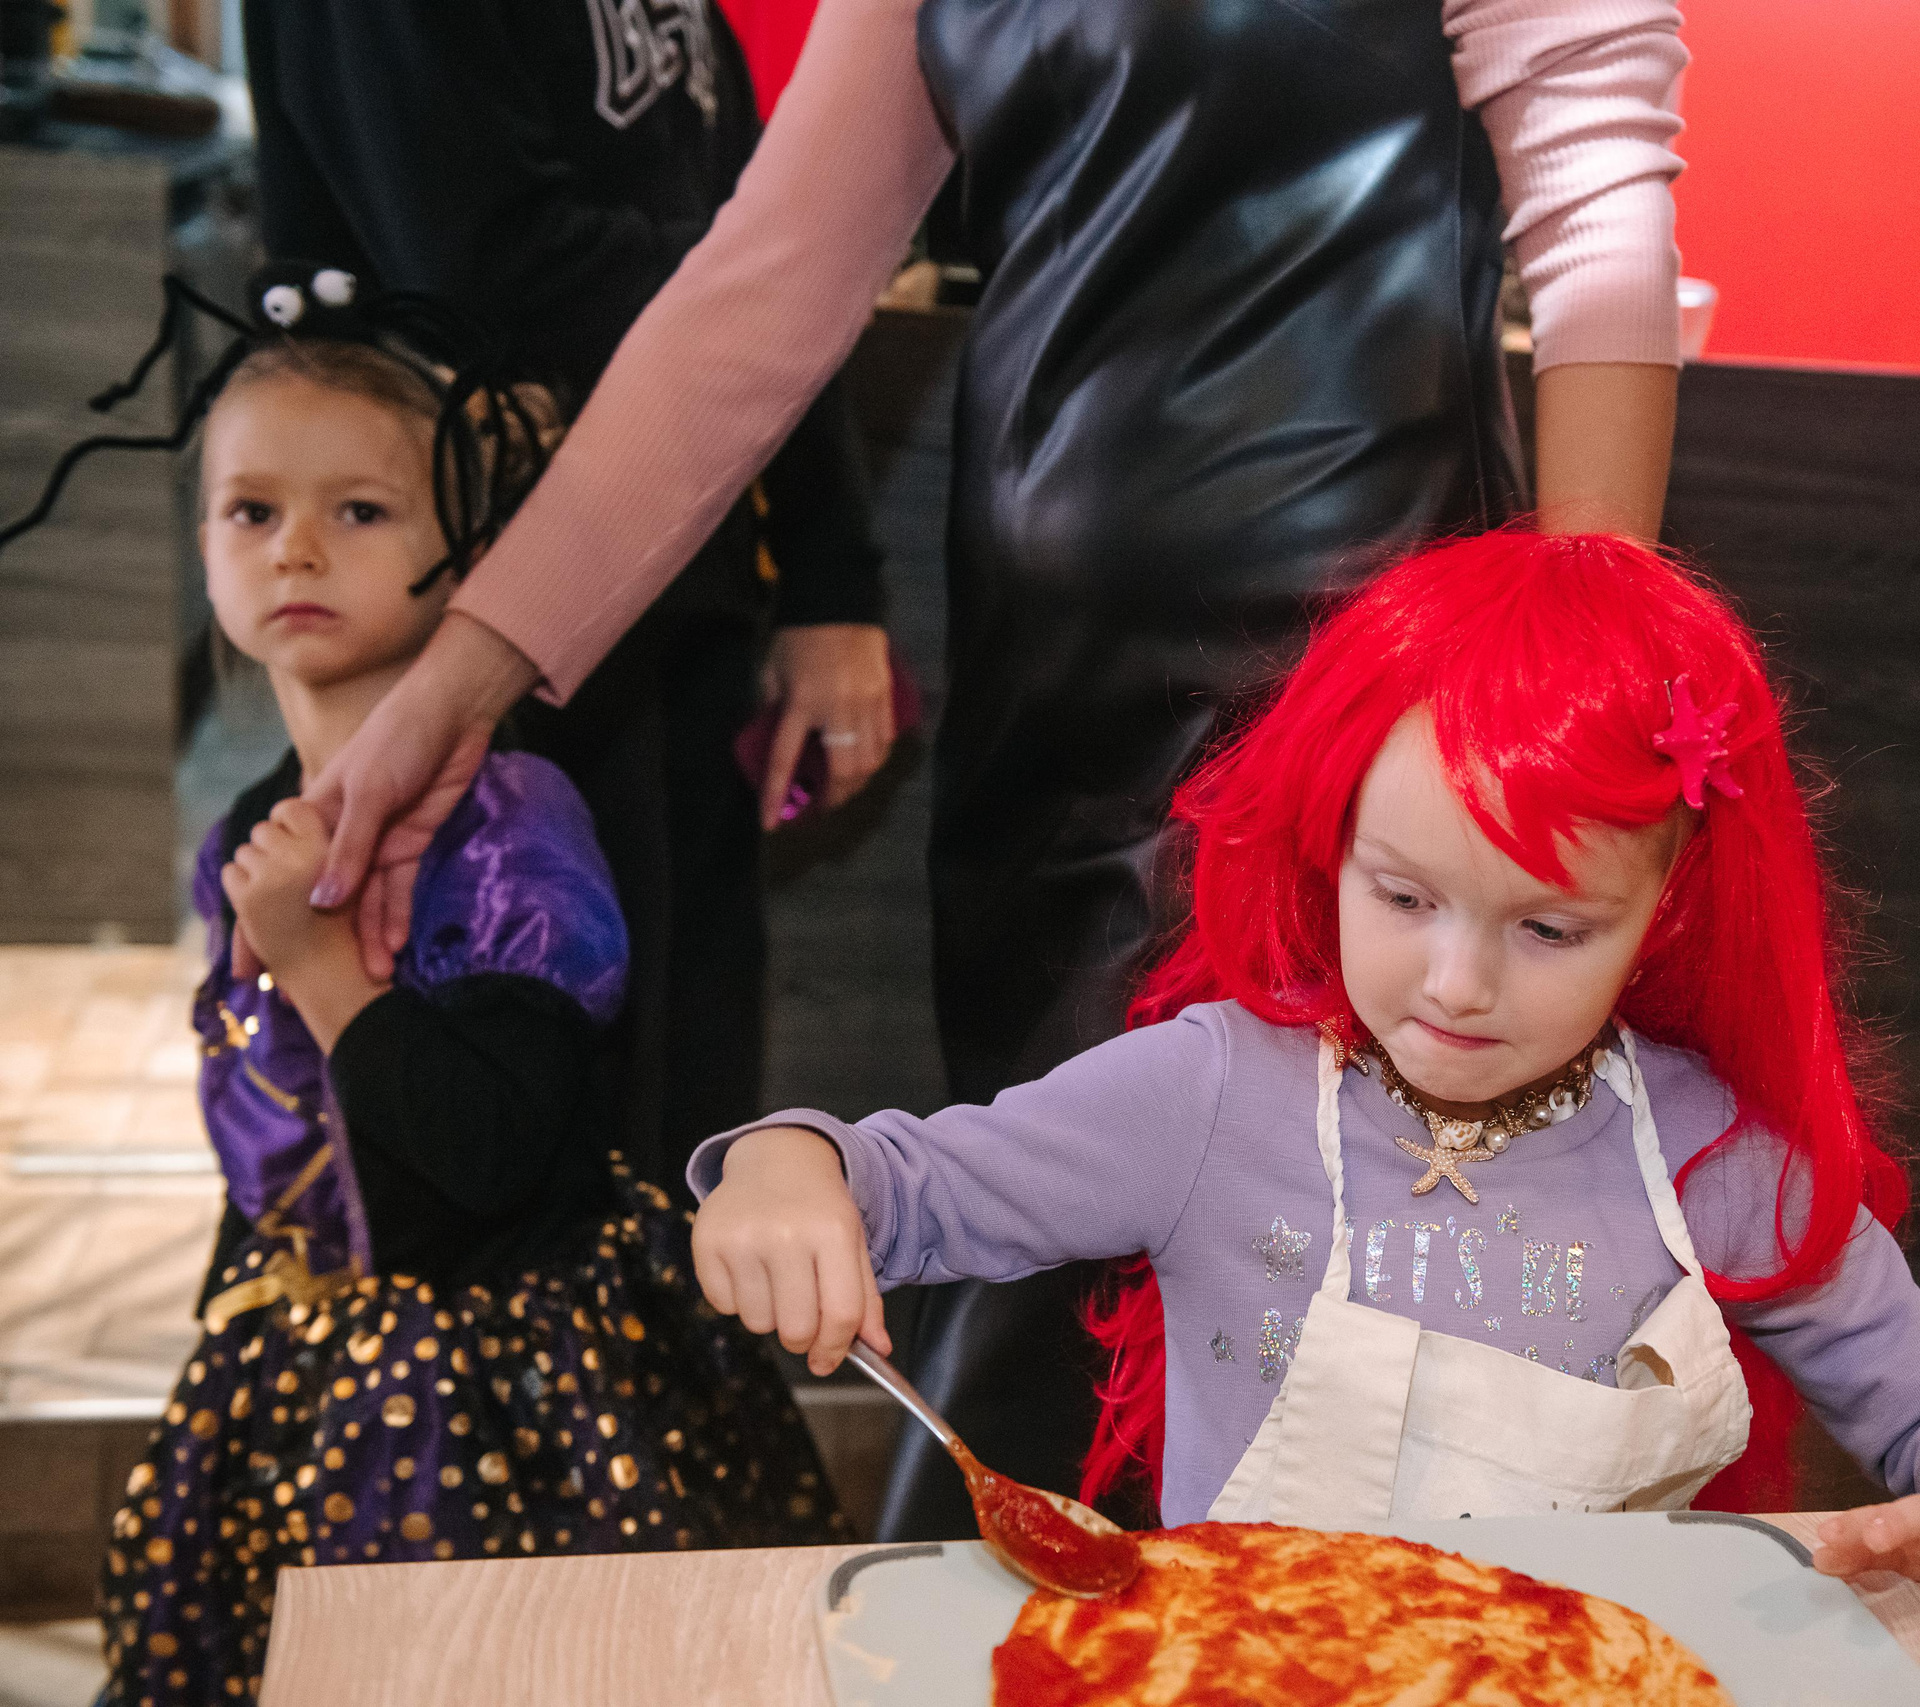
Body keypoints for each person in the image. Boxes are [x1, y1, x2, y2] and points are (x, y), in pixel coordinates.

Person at [292, 0, 1695, 1538]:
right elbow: (761, 294)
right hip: (1052, 713)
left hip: (1368, 713)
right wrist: (467, 675)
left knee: (1287, 1292)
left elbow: (1598, 193)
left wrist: (1575, 661)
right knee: (1058, 1236)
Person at [689, 531, 1920, 1649]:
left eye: (1548, 928)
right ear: (1332, 837)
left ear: (1665, 907)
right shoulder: (1209, 1094)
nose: (1457, 981)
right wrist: (789, 1172)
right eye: (1405, 893)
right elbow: (904, 1187)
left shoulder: (1716, 1153)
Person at [72, 268, 844, 1707]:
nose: (296, 545)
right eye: (252, 510)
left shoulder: (508, 825)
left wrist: (315, 966)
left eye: (358, 510)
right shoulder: (244, 813)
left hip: (505, 1391)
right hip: (298, 1374)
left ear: (467, 548)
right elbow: (273, 1148)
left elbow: (489, 1149)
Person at [240, 0, 899, 1188]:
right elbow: (497, 261)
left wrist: (823, 568)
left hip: (677, 585)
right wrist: (736, 284)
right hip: (469, 615)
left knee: (682, 1102)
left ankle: (680, 1364)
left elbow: (767, 245)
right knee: (522, 1145)